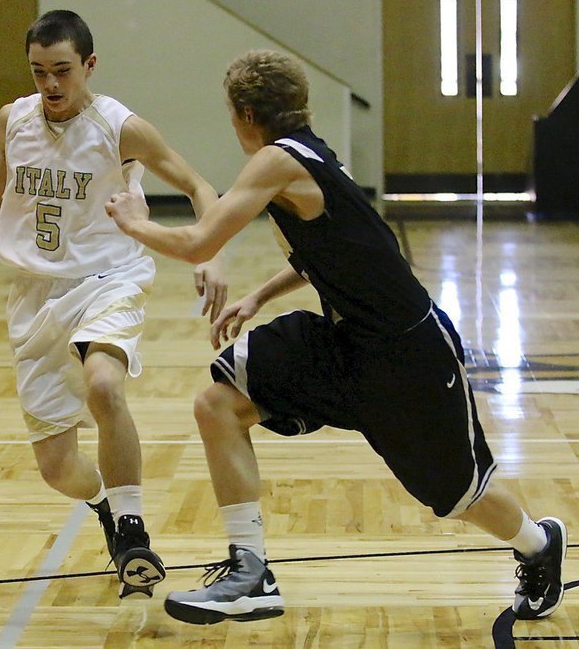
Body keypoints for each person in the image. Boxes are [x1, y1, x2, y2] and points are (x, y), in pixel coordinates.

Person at [105, 49, 567, 624]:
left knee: (457, 497)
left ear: (246, 114)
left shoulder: (278, 161)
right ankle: (250, 571)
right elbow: (322, 254)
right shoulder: (310, 156)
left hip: (407, 355)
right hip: (342, 343)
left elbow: (201, 243)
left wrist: (131, 222)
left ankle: (538, 544)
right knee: (218, 404)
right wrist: (258, 297)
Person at [0, 10, 227, 599]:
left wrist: (209, 250)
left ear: (89, 66)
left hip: (110, 275)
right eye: (39, 72)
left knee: (104, 385)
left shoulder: (120, 127)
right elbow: (0, 202)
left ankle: (132, 530)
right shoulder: (13, 120)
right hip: (36, 296)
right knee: (58, 471)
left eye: (62, 71)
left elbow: (199, 186)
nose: (50, 85)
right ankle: (106, 506)